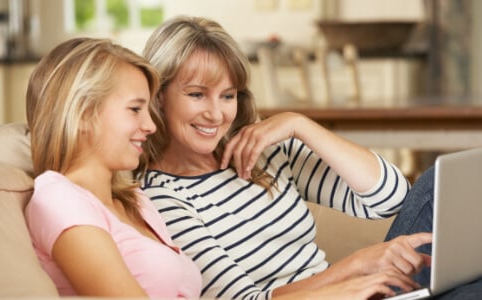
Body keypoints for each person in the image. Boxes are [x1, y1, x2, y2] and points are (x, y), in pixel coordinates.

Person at [136, 16, 433, 300]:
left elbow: (393, 198)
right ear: (159, 96)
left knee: (434, 193)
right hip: (344, 291)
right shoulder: (161, 197)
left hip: (356, 293)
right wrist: (356, 267)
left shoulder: (261, 151)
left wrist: (299, 125)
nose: (216, 114)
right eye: (197, 94)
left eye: (228, 96)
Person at [24, 37, 202, 298]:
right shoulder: (58, 198)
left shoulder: (136, 200)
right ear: (83, 114)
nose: (151, 126)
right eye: (135, 109)